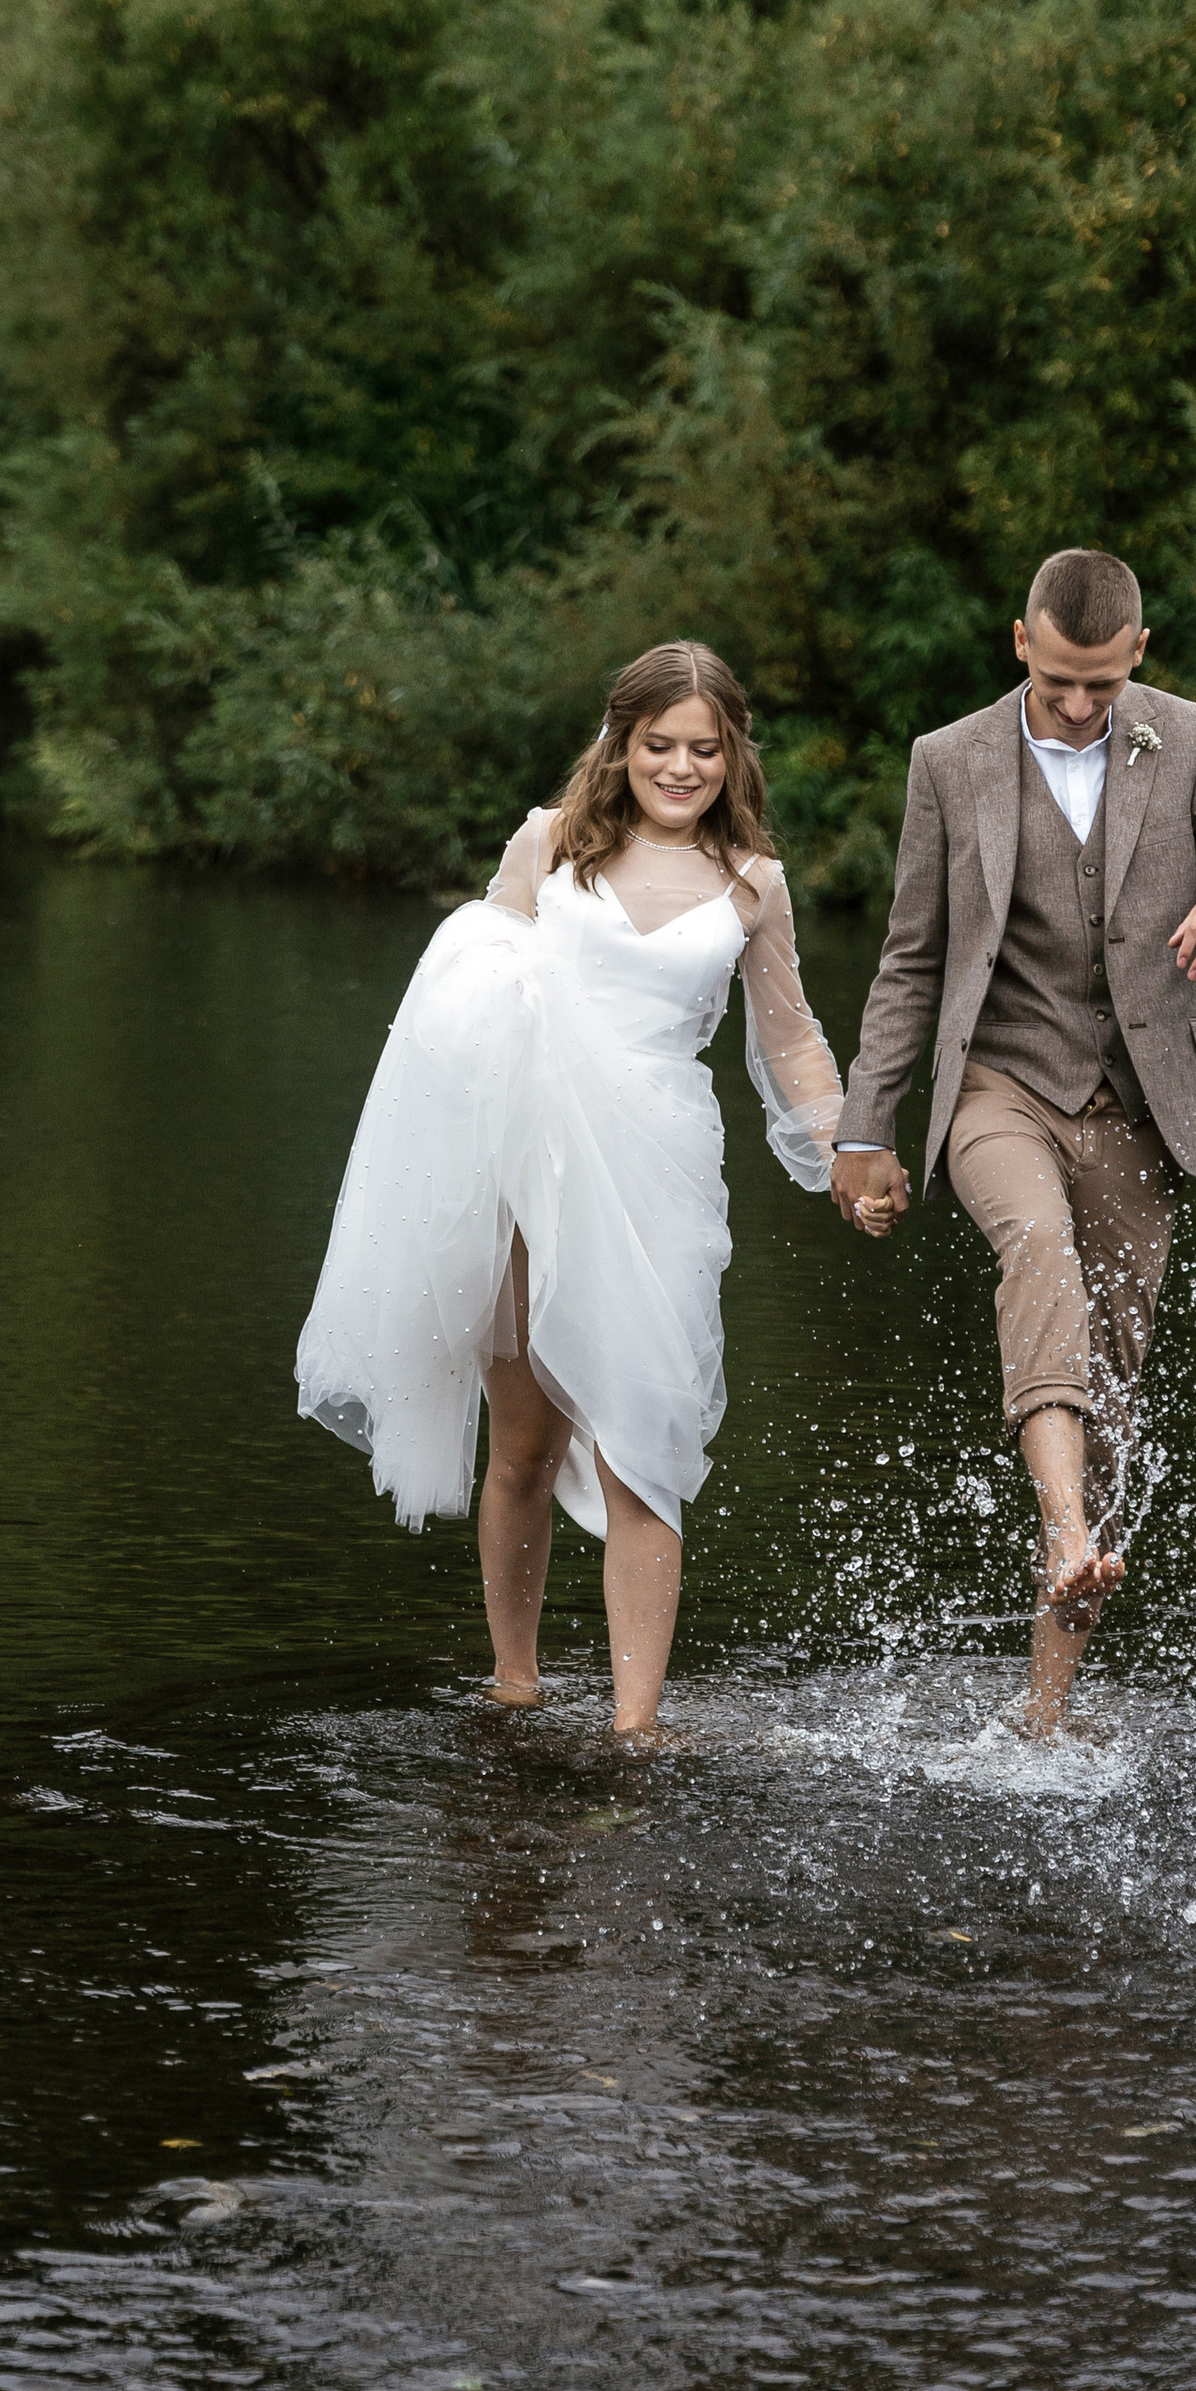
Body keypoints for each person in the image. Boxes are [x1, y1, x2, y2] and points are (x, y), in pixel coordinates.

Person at [295, 640, 859, 1739]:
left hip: (660, 1170)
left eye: (704, 748)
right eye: (659, 745)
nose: (681, 768)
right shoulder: (550, 847)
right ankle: (515, 1681)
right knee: (524, 1444)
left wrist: (848, 1149)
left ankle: (634, 1726)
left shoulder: (752, 883)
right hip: (530, 1160)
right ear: (621, 741)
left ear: (732, 752)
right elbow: (465, 1000)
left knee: (644, 1439)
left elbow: (791, 1043)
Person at [829, 549, 1196, 1738]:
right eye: (1059, 684)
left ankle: (1044, 1715)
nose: (1081, 707)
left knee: (1114, 1397)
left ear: (1134, 654)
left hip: (1142, 1107)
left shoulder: (1191, 739)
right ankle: (1057, 1523)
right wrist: (861, 1129)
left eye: (1103, 684)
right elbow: (911, 957)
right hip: (1001, 1084)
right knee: (1031, 1239)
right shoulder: (949, 761)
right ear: (1020, 643)